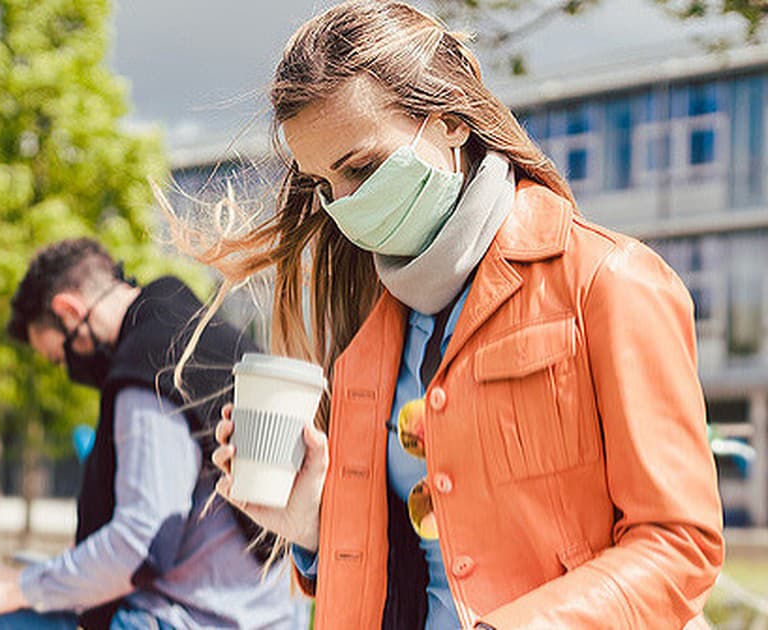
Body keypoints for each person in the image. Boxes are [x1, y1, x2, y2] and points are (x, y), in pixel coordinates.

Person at [178, 2, 725, 628]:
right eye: (325, 184)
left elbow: (680, 544)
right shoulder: (363, 335)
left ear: (451, 122)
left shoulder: (609, 280)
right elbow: (394, 573)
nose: (347, 207)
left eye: (362, 167)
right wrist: (308, 525)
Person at [0, 238, 295, 630]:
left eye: (60, 357)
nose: (71, 371)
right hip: (256, 611)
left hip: (180, 618)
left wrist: (15, 587)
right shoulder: (196, 329)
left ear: (69, 310)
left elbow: (142, 546)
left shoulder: (146, 373)